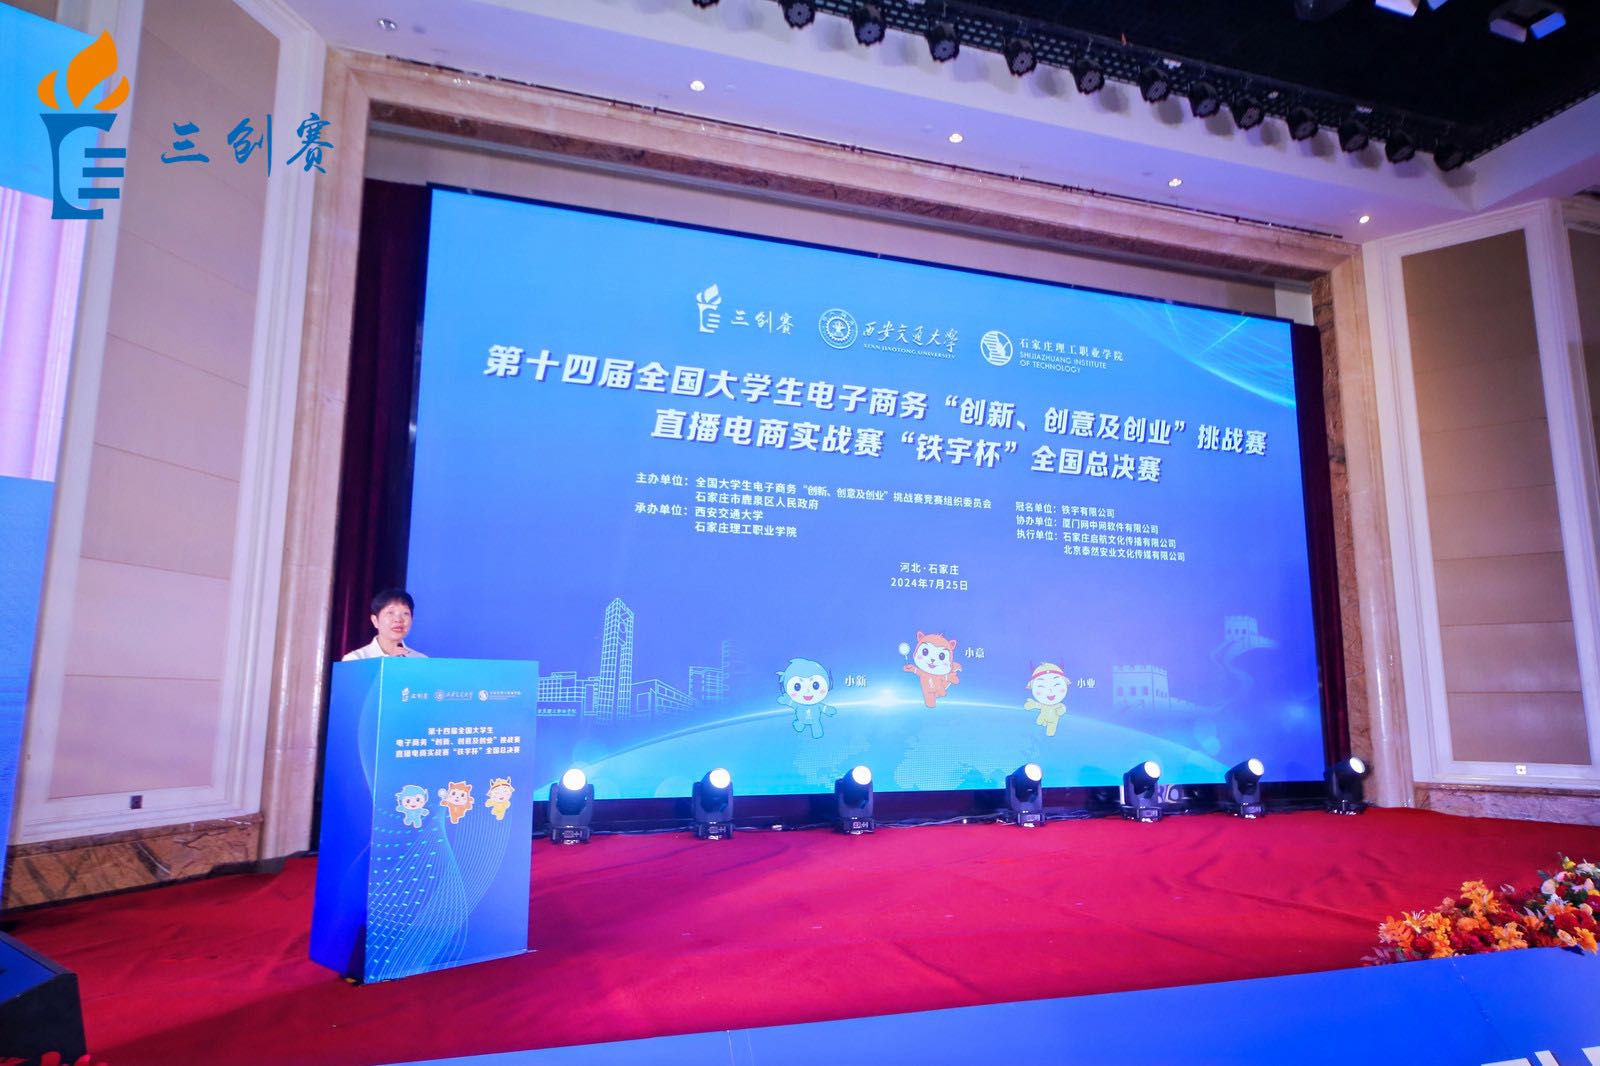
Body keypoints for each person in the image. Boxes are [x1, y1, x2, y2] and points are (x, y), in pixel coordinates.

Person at [342, 588, 428, 661]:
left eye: (405, 613)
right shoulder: (355, 659)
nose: (398, 620)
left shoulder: (421, 660)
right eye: (390, 613)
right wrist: (387, 663)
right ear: (375, 620)